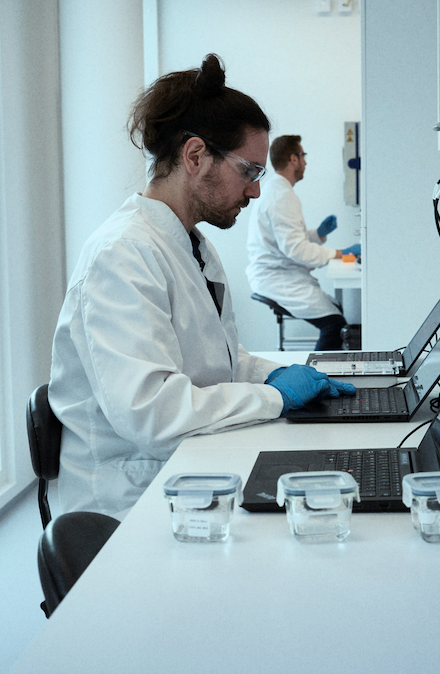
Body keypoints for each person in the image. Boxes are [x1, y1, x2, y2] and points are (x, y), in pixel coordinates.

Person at [48, 55, 356, 517]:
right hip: (127, 503)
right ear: (195, 156)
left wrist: (264, 373)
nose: (255, 192)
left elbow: (212, 357)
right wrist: (274, 397)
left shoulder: (189, 243)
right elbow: (153, 412)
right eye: (250, 172)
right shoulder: (122, 254)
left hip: (185, 469)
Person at [246, 134, 361, 351]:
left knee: (336, 310)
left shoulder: (277, 191)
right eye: (303, 156)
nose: (305, 162)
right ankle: (317, 379)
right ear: (293, 159)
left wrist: (317, 234)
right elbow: (297, 249)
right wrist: (341, 252)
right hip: (278, 280)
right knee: (335, 325)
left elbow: (288, 239)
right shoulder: (281, 196)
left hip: (279, 275)